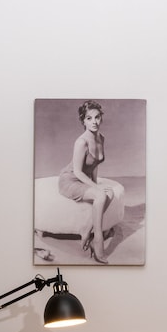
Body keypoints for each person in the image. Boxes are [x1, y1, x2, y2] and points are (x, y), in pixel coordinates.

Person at [57, 99, 119, 263]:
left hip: (83, 179)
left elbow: (94, 165)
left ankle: (86, 229)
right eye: (89, 118)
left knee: (109, 193)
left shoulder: (101, 138)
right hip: (70, 180)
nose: (94, 122)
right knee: (101, 195)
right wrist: (96, 189)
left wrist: (96, 183)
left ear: (101, 118)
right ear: (83, 121)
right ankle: (97, 241)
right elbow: (77, 171)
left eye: (97, 117)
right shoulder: (81, 142)